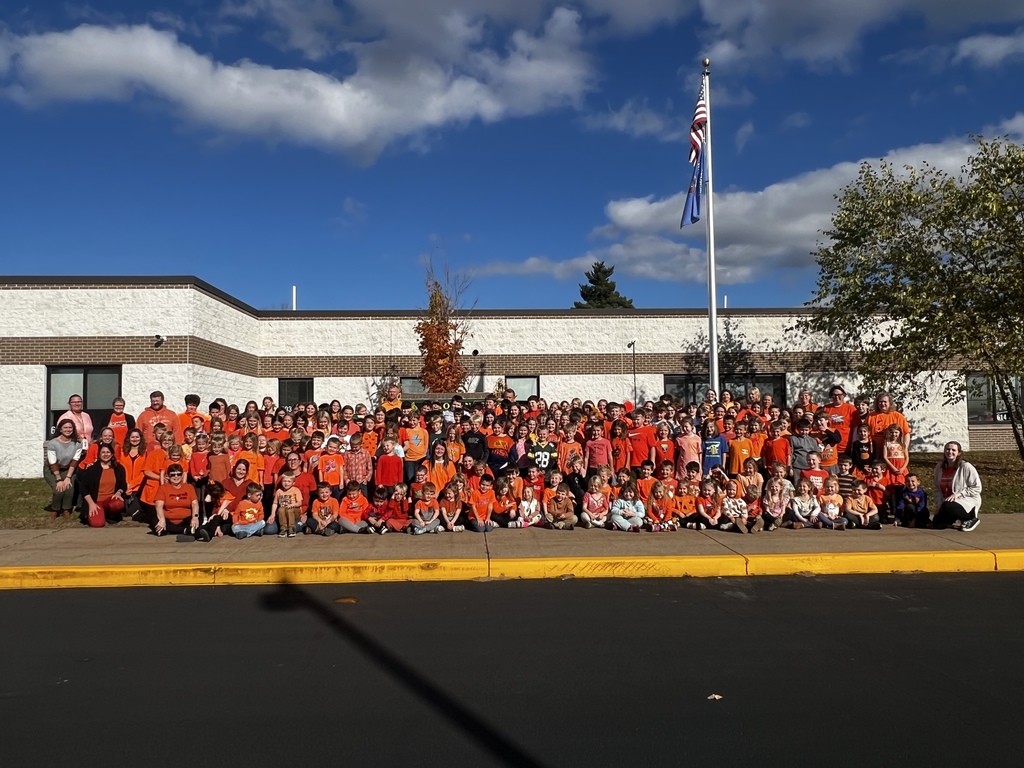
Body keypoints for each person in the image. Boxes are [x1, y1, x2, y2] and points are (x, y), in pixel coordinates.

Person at [933, 442, 982, 531]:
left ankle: (970, 518)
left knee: (947, 505)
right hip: (947, 503)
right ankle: (956, 518)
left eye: (953, 450)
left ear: (958, 453)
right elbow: (936, 487)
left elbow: (977, 488)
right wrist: (939, 504)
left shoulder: (966, 466)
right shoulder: (939, 467)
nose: (950, 452)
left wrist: (958, 495)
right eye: (947, 449)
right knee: (937, 524)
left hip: (965, 500)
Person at [44, 418, 85, 518]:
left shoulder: (78, 443)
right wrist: (58, 479)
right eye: (65, 427)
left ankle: (66, 509)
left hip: (68, 468)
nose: (68, 429)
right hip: (52, 469)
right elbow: (52, 463)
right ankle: (55, 509)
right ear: (60, 429)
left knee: (69, 488)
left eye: (70, 427)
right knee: (58, 489)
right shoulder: (53, 443)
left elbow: (74, 462)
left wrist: (68, 477)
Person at [78, 444, 127, 527]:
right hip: (95, 502)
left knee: (118, 503)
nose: (105, 454)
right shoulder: (92, 469)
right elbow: (83, 488)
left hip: (110, 500)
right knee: (97, 523)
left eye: (108, 452)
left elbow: (123, 485)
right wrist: (91, 504)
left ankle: (109, 515)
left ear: (112, 454)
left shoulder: (119, 468)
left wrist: (119, 492)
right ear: (99, 455)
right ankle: (99, 514)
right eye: (103, 452)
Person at [151, 463, 199, 536]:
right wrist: (162, 520)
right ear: (168, 476)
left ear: (182, 475)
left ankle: (171, 530)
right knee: (155, 520)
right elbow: (159, 506)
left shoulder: (189, 487)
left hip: (185, 519)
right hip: (168, 519)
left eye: (178, 474)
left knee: (198, 518)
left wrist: (195, 518)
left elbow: (195, 504)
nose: (176, 477)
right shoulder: (163, 488)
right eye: (173, 475)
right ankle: (184, 530)